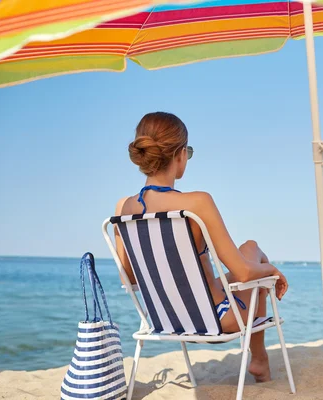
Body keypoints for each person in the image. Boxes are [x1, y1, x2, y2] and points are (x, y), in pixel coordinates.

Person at [114, 112, 288, 383]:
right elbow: (242, 273)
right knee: (256, 264)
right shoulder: (197, 203)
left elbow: (131, 279)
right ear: (180, 154)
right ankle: (259, 359)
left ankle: (259, 360)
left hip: (166, 321)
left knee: (250, 248)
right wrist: (272, 270)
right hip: (215, 320)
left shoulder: (123, 208)